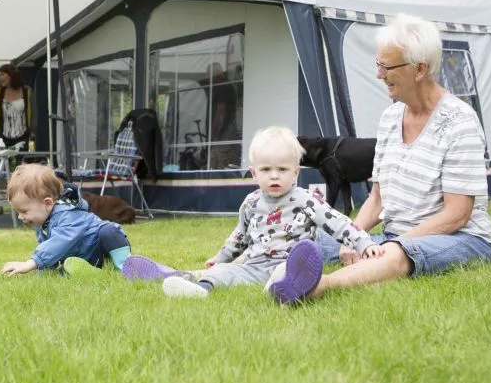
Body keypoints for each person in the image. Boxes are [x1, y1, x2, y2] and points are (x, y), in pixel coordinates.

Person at [269, 14, 491, 305]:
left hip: (460, 239)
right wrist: (353, 236)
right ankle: (216, 272)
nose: (379, 74)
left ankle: (316, 287)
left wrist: (393, 243)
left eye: (386, 66)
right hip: (394, 236)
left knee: (396, 254)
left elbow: (457, 215)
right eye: (378, 64)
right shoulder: (390, 118)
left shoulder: (460, 122)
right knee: (307, 236)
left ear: (420, 69)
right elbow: (378, 199)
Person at [120, 126, 384, 298]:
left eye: (282, 170)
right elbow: (239, 237)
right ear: (254, 172)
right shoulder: (250, 203)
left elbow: (339, 223)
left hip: (287, 262)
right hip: (254, 265)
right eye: (266, 170)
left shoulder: (307, 200)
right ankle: (199, 289)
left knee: (285, 273)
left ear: (296, 171)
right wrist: (220, 258)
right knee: (223, 274)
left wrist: (364, 243)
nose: (274, 176)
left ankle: (282, 289)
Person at [0, 164, 132, 277]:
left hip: (101, 248)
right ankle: (94, 271)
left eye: (24, 211)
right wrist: (42, 271)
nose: (20, 217)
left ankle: (127, 266)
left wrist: (31, 263)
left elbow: (59, 242)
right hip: (87, 256)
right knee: (63, 268)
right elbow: (50, 250)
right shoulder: (44, 222)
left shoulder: (67, 215)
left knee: (108, 231)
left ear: (47, 203)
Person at [0, 63, 36, 150]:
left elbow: (34, 114)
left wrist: (33, 133)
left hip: (23, 137)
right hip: (3, 138)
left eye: (2, 75)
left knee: (22, 162)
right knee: (4, 162)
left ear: (12, 75)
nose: (0, 78)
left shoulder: (27, 91)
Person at [202, 62, 240, 169]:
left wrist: (212, 135)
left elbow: (220, 113)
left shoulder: (222, 87)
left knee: (223, 163)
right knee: (216, 162)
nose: (207, 77)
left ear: (216, 73)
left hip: (224, 135)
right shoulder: (222, 86)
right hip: (222, 135)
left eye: (209, 74)